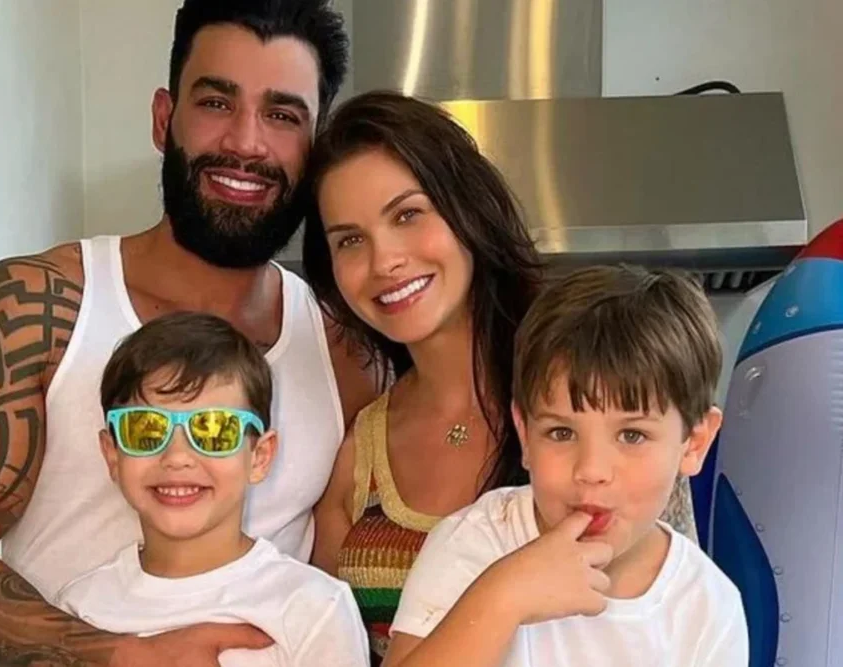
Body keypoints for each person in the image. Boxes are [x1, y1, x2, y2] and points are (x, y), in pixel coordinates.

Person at [0, 2, 376, 666]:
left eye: (283, 115)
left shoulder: (345, 350)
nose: (246, 143)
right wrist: (117, 656)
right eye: (216, 102)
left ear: (315, 146)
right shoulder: (36, 307)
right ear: (163, 118)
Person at [302, 91, 699, 664]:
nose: (383, 260)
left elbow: (673, 614)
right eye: (350, 240)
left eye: (408, 214)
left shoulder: (605, 400)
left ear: (469, 210)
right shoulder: (358, 457)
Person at [383, 265, 748, 667]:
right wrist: (503, 598)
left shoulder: (708, 607)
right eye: (561, 433)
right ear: (525, 435)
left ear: (694, 443)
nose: (591, 470)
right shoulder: (474, 543)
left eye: (632, 435)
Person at [54, 312, 369, 667]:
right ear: (113, 455)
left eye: (214, 430)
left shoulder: (312, 608)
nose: (177, 457)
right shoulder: (80, 610)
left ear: (259, 456)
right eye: (146, 429)